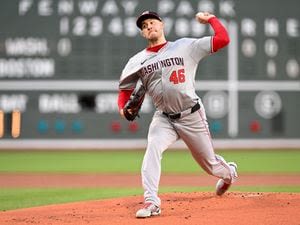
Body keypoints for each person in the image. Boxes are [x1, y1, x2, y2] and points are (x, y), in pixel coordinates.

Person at [117, 11, 238, 218]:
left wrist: (211, 19)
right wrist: (122, 108)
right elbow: (125, 90)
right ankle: (151, 202)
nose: (149, 26)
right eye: (144, 25)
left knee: (210, 166)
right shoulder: (136, 61)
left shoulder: (185, 46)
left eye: (152, 22)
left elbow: (223, 39)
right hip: (163, 117)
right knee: (153, 148)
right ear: (142, 32)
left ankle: (229, 173)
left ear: (162, 25)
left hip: (191, 115)